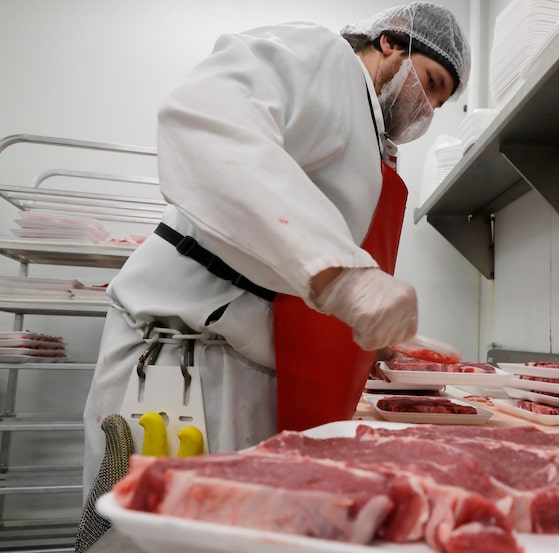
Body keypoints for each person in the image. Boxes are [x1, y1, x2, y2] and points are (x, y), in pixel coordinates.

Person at [81, 0, 470, 499]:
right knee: (149, 534)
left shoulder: (371, 136)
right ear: (391, 43)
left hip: (242, 365)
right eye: (431, 83)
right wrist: (345, 277)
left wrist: (373, 335)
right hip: (178, 364)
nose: (428, 109)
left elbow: (288, 261)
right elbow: (205, 117)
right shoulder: (324, 58)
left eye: (438, 103)